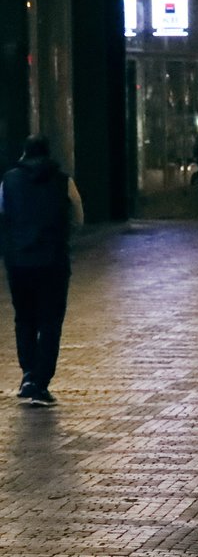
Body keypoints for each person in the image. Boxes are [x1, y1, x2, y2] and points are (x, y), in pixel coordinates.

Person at [0, 134, 84, 407]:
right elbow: (78, 217)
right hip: (53, 261)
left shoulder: (9, 180)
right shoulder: (64, 181)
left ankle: (27, 375)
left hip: (18, 262)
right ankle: (41, 382)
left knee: (24, 318)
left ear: (24, 153)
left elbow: (4, 214)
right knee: (49, 322)